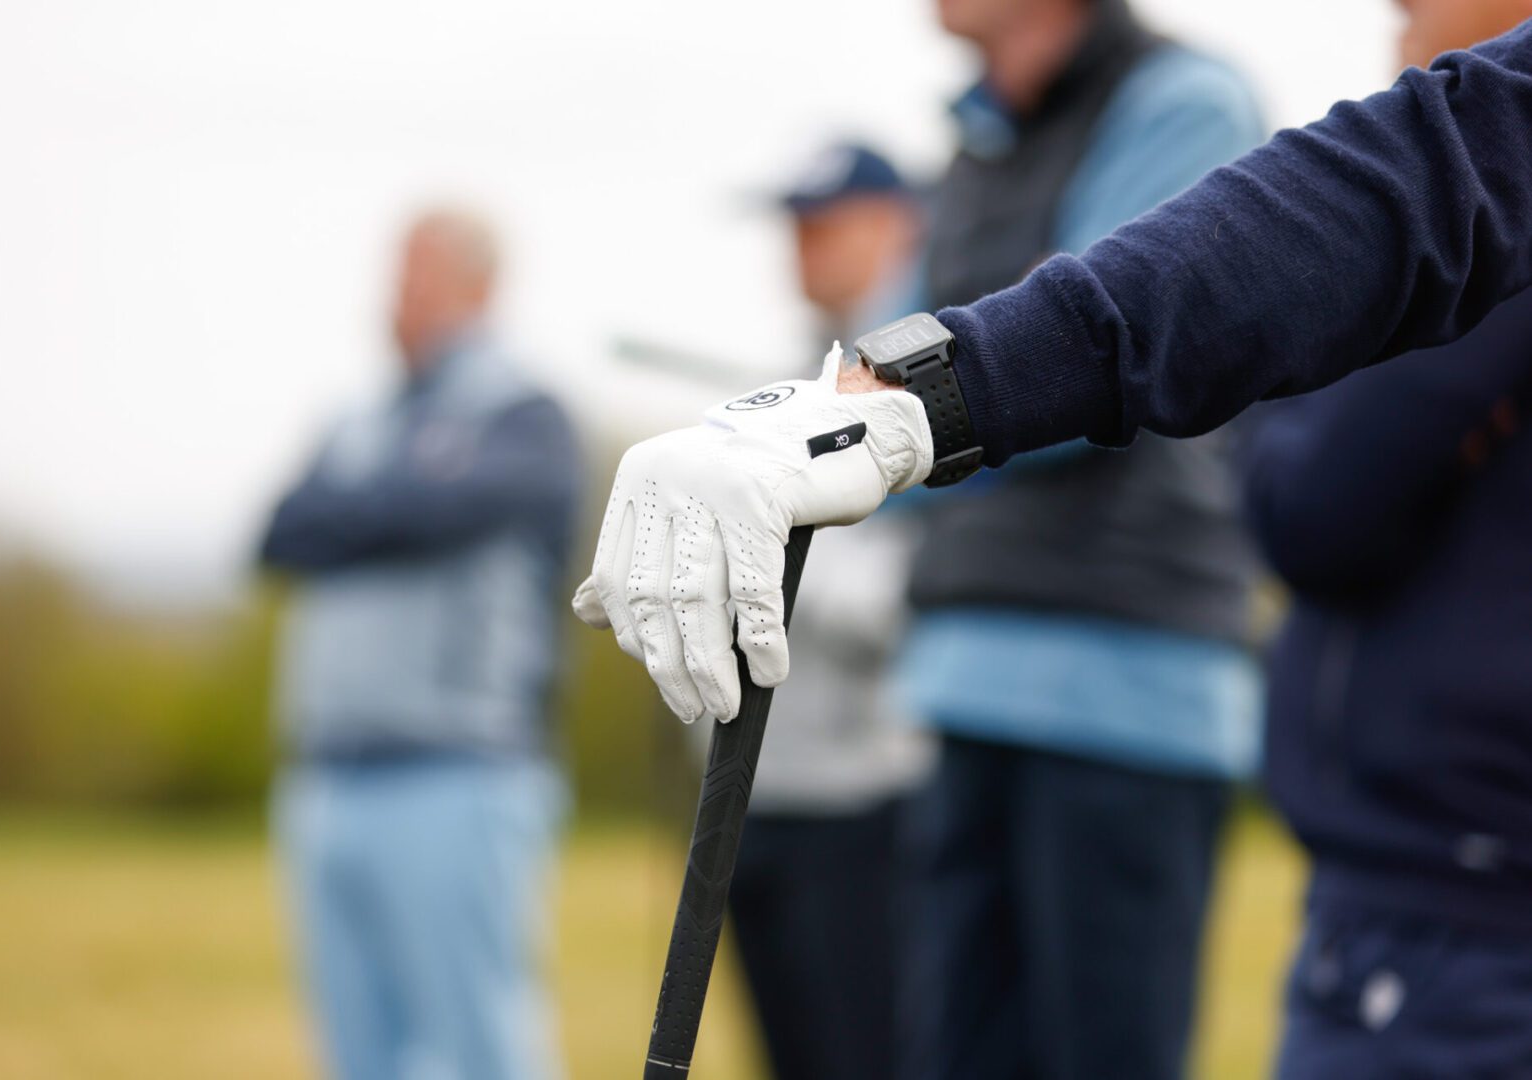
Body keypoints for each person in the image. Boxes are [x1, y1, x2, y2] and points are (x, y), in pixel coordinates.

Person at [572, 17, 1532, 724]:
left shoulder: (1179, 98)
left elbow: (1209, 310)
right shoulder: (979, 140)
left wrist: (921, 402)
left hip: (1121, 667)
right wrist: (835, 420)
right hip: (963, 647)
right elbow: (889, 352)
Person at [887, 1, 1264, 1074]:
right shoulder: (976, 133)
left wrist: (849, 444)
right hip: (964, 672)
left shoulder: (1184, 101)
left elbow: (1080, 362)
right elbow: (872, 374)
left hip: (1128, 688)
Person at [1241, 5, 1532, 1077]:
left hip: (1458, 907)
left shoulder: (1497, 208)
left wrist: (1303, 389)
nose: (1398, 6)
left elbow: (1314, 503)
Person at [260, 209, 580, 1080]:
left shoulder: (525, 413)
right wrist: (401, 501)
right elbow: (282, 531)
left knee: (476, 1045)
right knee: (357, 1054)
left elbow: (423, 510)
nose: (396, 295)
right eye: (395, 272)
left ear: (479, 286)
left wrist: (365, 509)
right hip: (329, 773)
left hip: (458, 771)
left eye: (420, 273)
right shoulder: (356, 418)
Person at [713, 142, 932, 1080]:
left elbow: (928, 585)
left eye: (822, 224)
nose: (799, 249)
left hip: (873, 794)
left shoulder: (946, 370)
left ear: (898, 222)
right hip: (756, 787)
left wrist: (783, 566)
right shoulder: (783, 380)